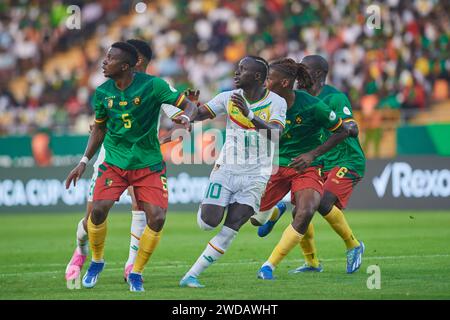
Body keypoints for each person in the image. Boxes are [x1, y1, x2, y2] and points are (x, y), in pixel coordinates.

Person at [65, 41, 197, 292]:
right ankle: (90, 258)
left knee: (154, 216)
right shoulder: (103, 91)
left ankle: (133, 268)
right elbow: (100, 127)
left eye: (110, 58)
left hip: (147, 163)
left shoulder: (155, 86)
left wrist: (187, 117)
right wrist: (83, 161)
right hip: (112, 160)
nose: (104, 62)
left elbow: (186, 109)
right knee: (95, 213)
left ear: (131, 64)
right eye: (106, 57)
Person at [178, 56, 287, 288]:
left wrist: (249, 115)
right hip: (226, 169)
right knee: (208, 223)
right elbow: (201, 114)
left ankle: (191, 275)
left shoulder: (277, 102)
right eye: (237, 69)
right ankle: (221, 206)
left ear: (257, 77)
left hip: (256, 176)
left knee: (232, 226)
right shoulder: (228, 97)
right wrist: (190, 110)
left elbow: (276, 134)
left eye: (242, 69)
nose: (236, 73)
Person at [257, 55, 366, 274]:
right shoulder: (298, 98)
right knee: (301, 210)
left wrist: (350, 125)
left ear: (316, 74)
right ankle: (312, 262)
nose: (299, 72)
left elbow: (348, 125)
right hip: (319, 161)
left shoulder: (334, 97)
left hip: (346, 159)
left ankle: (353, 245)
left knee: (323, 202)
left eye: (303, 68)